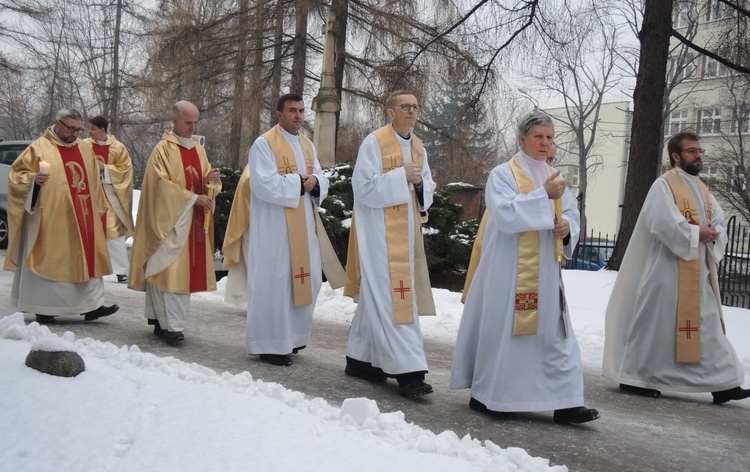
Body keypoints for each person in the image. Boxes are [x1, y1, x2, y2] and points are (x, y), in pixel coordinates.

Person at [450, 111, 599, 424]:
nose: (545, 143)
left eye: (549, 137)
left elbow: (571, 213)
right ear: (522, 140)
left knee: (555, 333)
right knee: (507, 330)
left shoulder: (556, 176)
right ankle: (491, 396)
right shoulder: (503, 174)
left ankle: (567, 401)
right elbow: (505, 215)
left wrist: (567, 228)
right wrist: (543, 196)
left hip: (545, 273)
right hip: (508, 270)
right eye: (538, 137)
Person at [603, 130, 748, 405]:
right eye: (692, 151)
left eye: (699, 151)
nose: (698, 155)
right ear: (676, 156)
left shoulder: (702, 188)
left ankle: (724, 383)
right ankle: (636, 377)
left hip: (697, 271)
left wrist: (714, 232)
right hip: (666, 271)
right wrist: (697, 234)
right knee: (656, 326)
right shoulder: (664, 184)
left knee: (707, 326)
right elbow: (662, 223)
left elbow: (717, 219)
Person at [343, 90, 437, 398]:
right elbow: (363, 188)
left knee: (380, 296)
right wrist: (401, 176)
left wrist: (420, 182)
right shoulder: (375, 142)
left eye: (415, 107)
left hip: (405, 235)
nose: (411, 111)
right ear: (390, 111)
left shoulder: (419, 147)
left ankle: (360, 359)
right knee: (397, 300)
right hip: (379, 236)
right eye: (405, 106)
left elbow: (427, 189)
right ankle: (410, 372)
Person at [246, 93, 340, 367]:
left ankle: (293, 338)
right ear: (279, 113)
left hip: (304, 223)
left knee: (305, 279)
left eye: (300, 111)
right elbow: (262, 183)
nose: (298, 116)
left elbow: (321, 176)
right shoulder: (264, 144)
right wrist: (300, 183)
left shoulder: (307, 145)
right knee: (276, 284)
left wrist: (316, 182)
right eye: (291, 110)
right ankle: (269, 344)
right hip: (275, 228)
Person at [3, 108, 119, 324]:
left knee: (87, 261)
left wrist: (96, 209)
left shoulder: (85, 149)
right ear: (57, 123)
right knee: (50, 260)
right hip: (50, 219)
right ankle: (45, 309)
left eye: (78, 129)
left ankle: (91, 307)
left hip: (83, 216)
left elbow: (94, 183)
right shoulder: (39, 148)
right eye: (70, 128)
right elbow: (16, 176)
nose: (74, 134)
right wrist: (33, 181)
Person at [128, 101, 222, 344]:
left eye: (195, 123)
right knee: (167, 271)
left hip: (191, 220)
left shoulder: (198, 150)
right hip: (170, 223)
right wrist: (192, 198)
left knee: (178, 273)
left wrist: (211, 181)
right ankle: (171, 326)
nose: (192, 127)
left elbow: (204, 179)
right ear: (175, 121)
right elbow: (159, 186)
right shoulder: (163, 149)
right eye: (188, 122)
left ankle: (164, 321)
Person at [85, 115, 134, 284]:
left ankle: (121, 271)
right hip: (89, 196)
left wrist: (105, 169)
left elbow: (126, 171)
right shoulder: (84, 146)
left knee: (113, 231)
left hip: (109, 197)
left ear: (102, 130)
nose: (89, 132)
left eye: (92, 129)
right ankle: (87, 265)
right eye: (89, 128)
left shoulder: (118, 148)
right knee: (88, 231)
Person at [222, 166, 250, 308]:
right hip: (252, 224)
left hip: (263, 223)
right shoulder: (256, 164)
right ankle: (256, 302)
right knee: (253, 264)